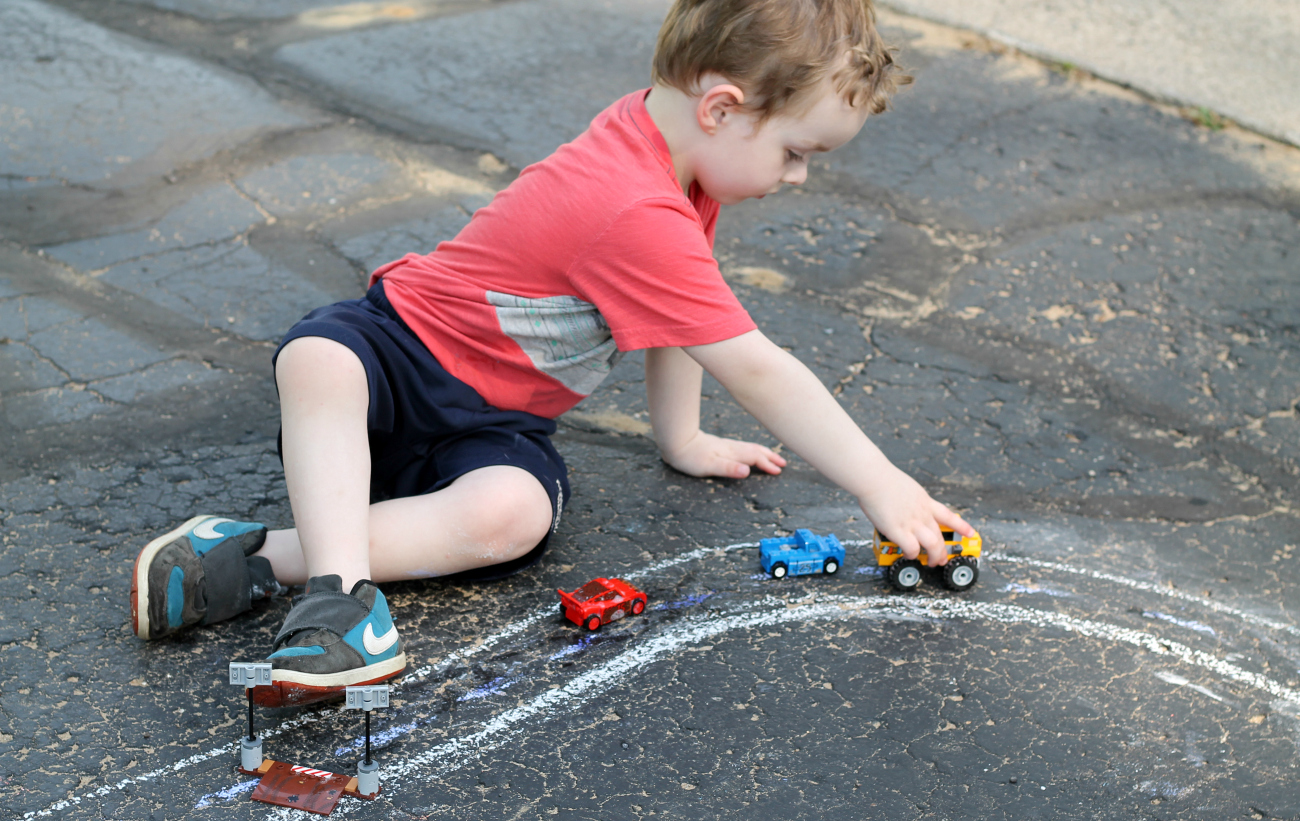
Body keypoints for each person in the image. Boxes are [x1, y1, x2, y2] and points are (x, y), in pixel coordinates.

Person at [130, 0, 975, 708]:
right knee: (319, 357)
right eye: (796, 153)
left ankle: (254, 558)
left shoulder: (672, 155)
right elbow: (753, 363)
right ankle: (342, 601)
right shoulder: (631, 204)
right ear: (721, 107)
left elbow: (682, 312)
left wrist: (680, 440)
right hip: (401, 354)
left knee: (514, 515)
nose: (797, 177)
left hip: (493, 422)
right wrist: (883, 484)